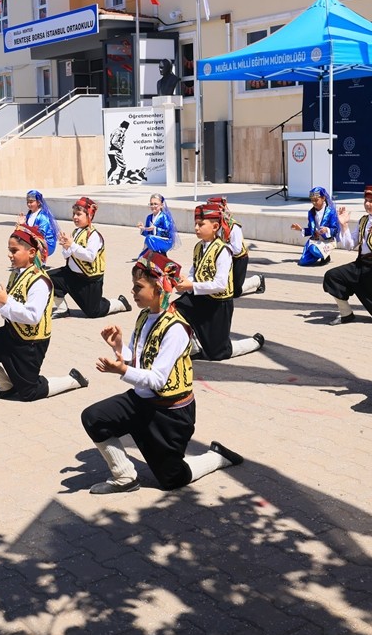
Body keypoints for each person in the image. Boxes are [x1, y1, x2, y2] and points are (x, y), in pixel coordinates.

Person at [80, 250, 245, 494]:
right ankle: (124, 477)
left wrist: (122, 370)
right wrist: (119, 348)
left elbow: (157, 379)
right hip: (143, 401)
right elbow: (140, 362)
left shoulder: (176, 328)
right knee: (94, 417)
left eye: (138, 287)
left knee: (172, 479)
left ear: (158, 288)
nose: (134, 292)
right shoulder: (145, 316)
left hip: (170, 412)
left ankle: (216, 457)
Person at [0, 223, 89, 401]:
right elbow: (11, 309)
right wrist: (0, 302)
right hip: (11, 332)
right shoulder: (17, 274)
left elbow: (32, 316)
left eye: (14, 250)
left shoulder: (40, 281)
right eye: (9, 250)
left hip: (30, 342)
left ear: (31, 253)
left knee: (29, 393)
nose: (10, 254)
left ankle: (72, 380)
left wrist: (5, 301)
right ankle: (6, 386)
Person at [172, 203, 264, 361]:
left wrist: (191, 285)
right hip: (199, 297)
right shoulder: (198, 247)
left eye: (201, 224)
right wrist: (186, 281)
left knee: (218, 353)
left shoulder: (223, 250)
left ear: (215, 226)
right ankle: (193, 348)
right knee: (173, 311)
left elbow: (220, 284)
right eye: (195, 224)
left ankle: (254, 342)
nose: (196, 228)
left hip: (218, 304)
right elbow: (195, 271)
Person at [322, 185, 372, 325]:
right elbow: (349, 245)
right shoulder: (363, 220)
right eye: (366, 200)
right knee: (333, 276)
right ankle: (346, 313)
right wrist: (344, 226)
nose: (367, 204)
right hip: (361, 265)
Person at [49, 197, 131, 320]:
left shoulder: (93, 235)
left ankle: (120, 304)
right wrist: (66, 246)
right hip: (72, 275)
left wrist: (72, 245)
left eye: (79, 214)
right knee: (47, 278)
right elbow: (67, 256)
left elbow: (89, 256)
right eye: (74, 214)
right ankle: (62, 309)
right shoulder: (76, 232)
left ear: (89, 216)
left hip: (89, 280)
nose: (75, 217)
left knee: (94, 312)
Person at [206, 196, 264, 296]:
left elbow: (237, 249)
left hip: (238, 259)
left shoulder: (233, 226)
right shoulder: (211, 226)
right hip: (222, 257)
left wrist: (220, 247)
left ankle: (258, 280)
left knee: (236, 291)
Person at [292, 186, 340, 267]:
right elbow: (311, 229)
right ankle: (319, 254)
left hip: (327, 240)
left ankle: (325, 257)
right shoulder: (311, 213)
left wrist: (327, 230)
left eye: (316, 200)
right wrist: (300, 229)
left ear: (323, 198)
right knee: (303, 262)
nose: (314, 203)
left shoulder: (331, 212)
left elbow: (335, 229)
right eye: (312, 200)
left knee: (313, 249)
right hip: (315, 239)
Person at [17, 190, 58, 260]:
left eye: (31, 202)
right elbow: (26, 230)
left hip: (46, 243)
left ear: (38, 202)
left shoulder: (43, 216)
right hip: (34, 239)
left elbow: (40, 234)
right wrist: (21, 225)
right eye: (28, 202)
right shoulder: (29, 214)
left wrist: (24, 226)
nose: (29, 204)